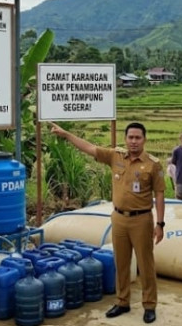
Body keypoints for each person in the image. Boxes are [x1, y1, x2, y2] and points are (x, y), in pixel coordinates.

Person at [50, 122, 164, 324]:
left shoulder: (153, 164)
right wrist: (66, 135)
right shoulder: (115, 156)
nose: (134, 141)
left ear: (144, 140)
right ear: (125, 139)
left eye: (138, 138)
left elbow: (160, 194)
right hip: (118, 218)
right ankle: (122, 301)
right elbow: (89, 148)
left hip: (142, 219)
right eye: (130, 137)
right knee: (121, 262)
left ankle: (149, 305)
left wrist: (160, 224)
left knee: (145, 264)